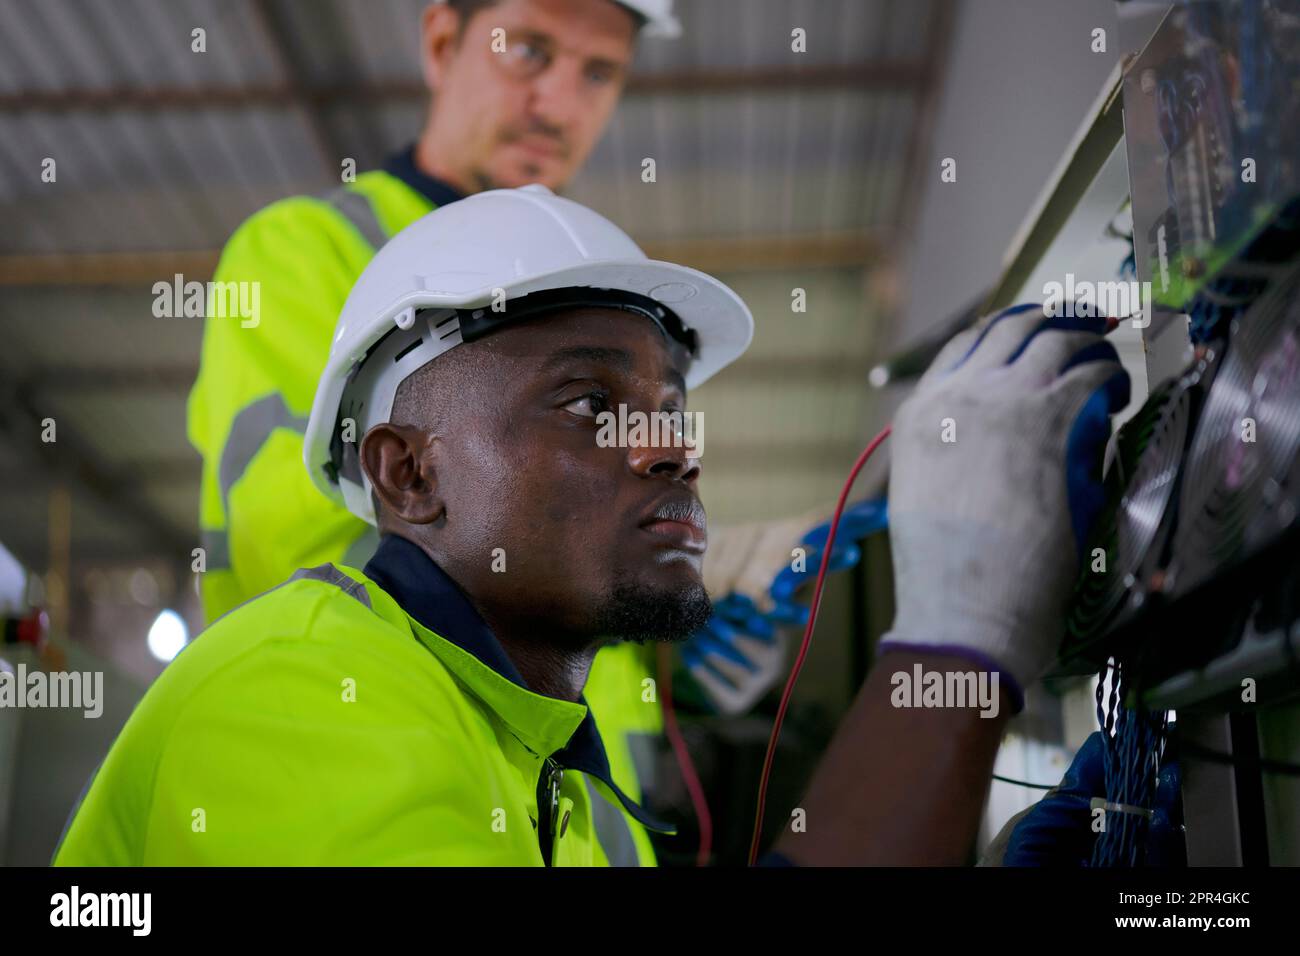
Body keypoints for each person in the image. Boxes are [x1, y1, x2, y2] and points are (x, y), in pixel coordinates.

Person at [54, 186, 1130, 866]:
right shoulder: (298, 701)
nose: (672, 447)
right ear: (409, 473)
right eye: (588, 403)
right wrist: (956, 637)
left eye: (668, 408)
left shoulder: (568, 781)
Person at [186, 0, 680, 865]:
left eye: (598, 72)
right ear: (443, 42)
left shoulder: (588, 304)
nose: (560, 104)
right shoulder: (309, 251)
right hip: (366, 791)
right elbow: (306, 538)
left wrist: (677, 626)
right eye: (530, 50)